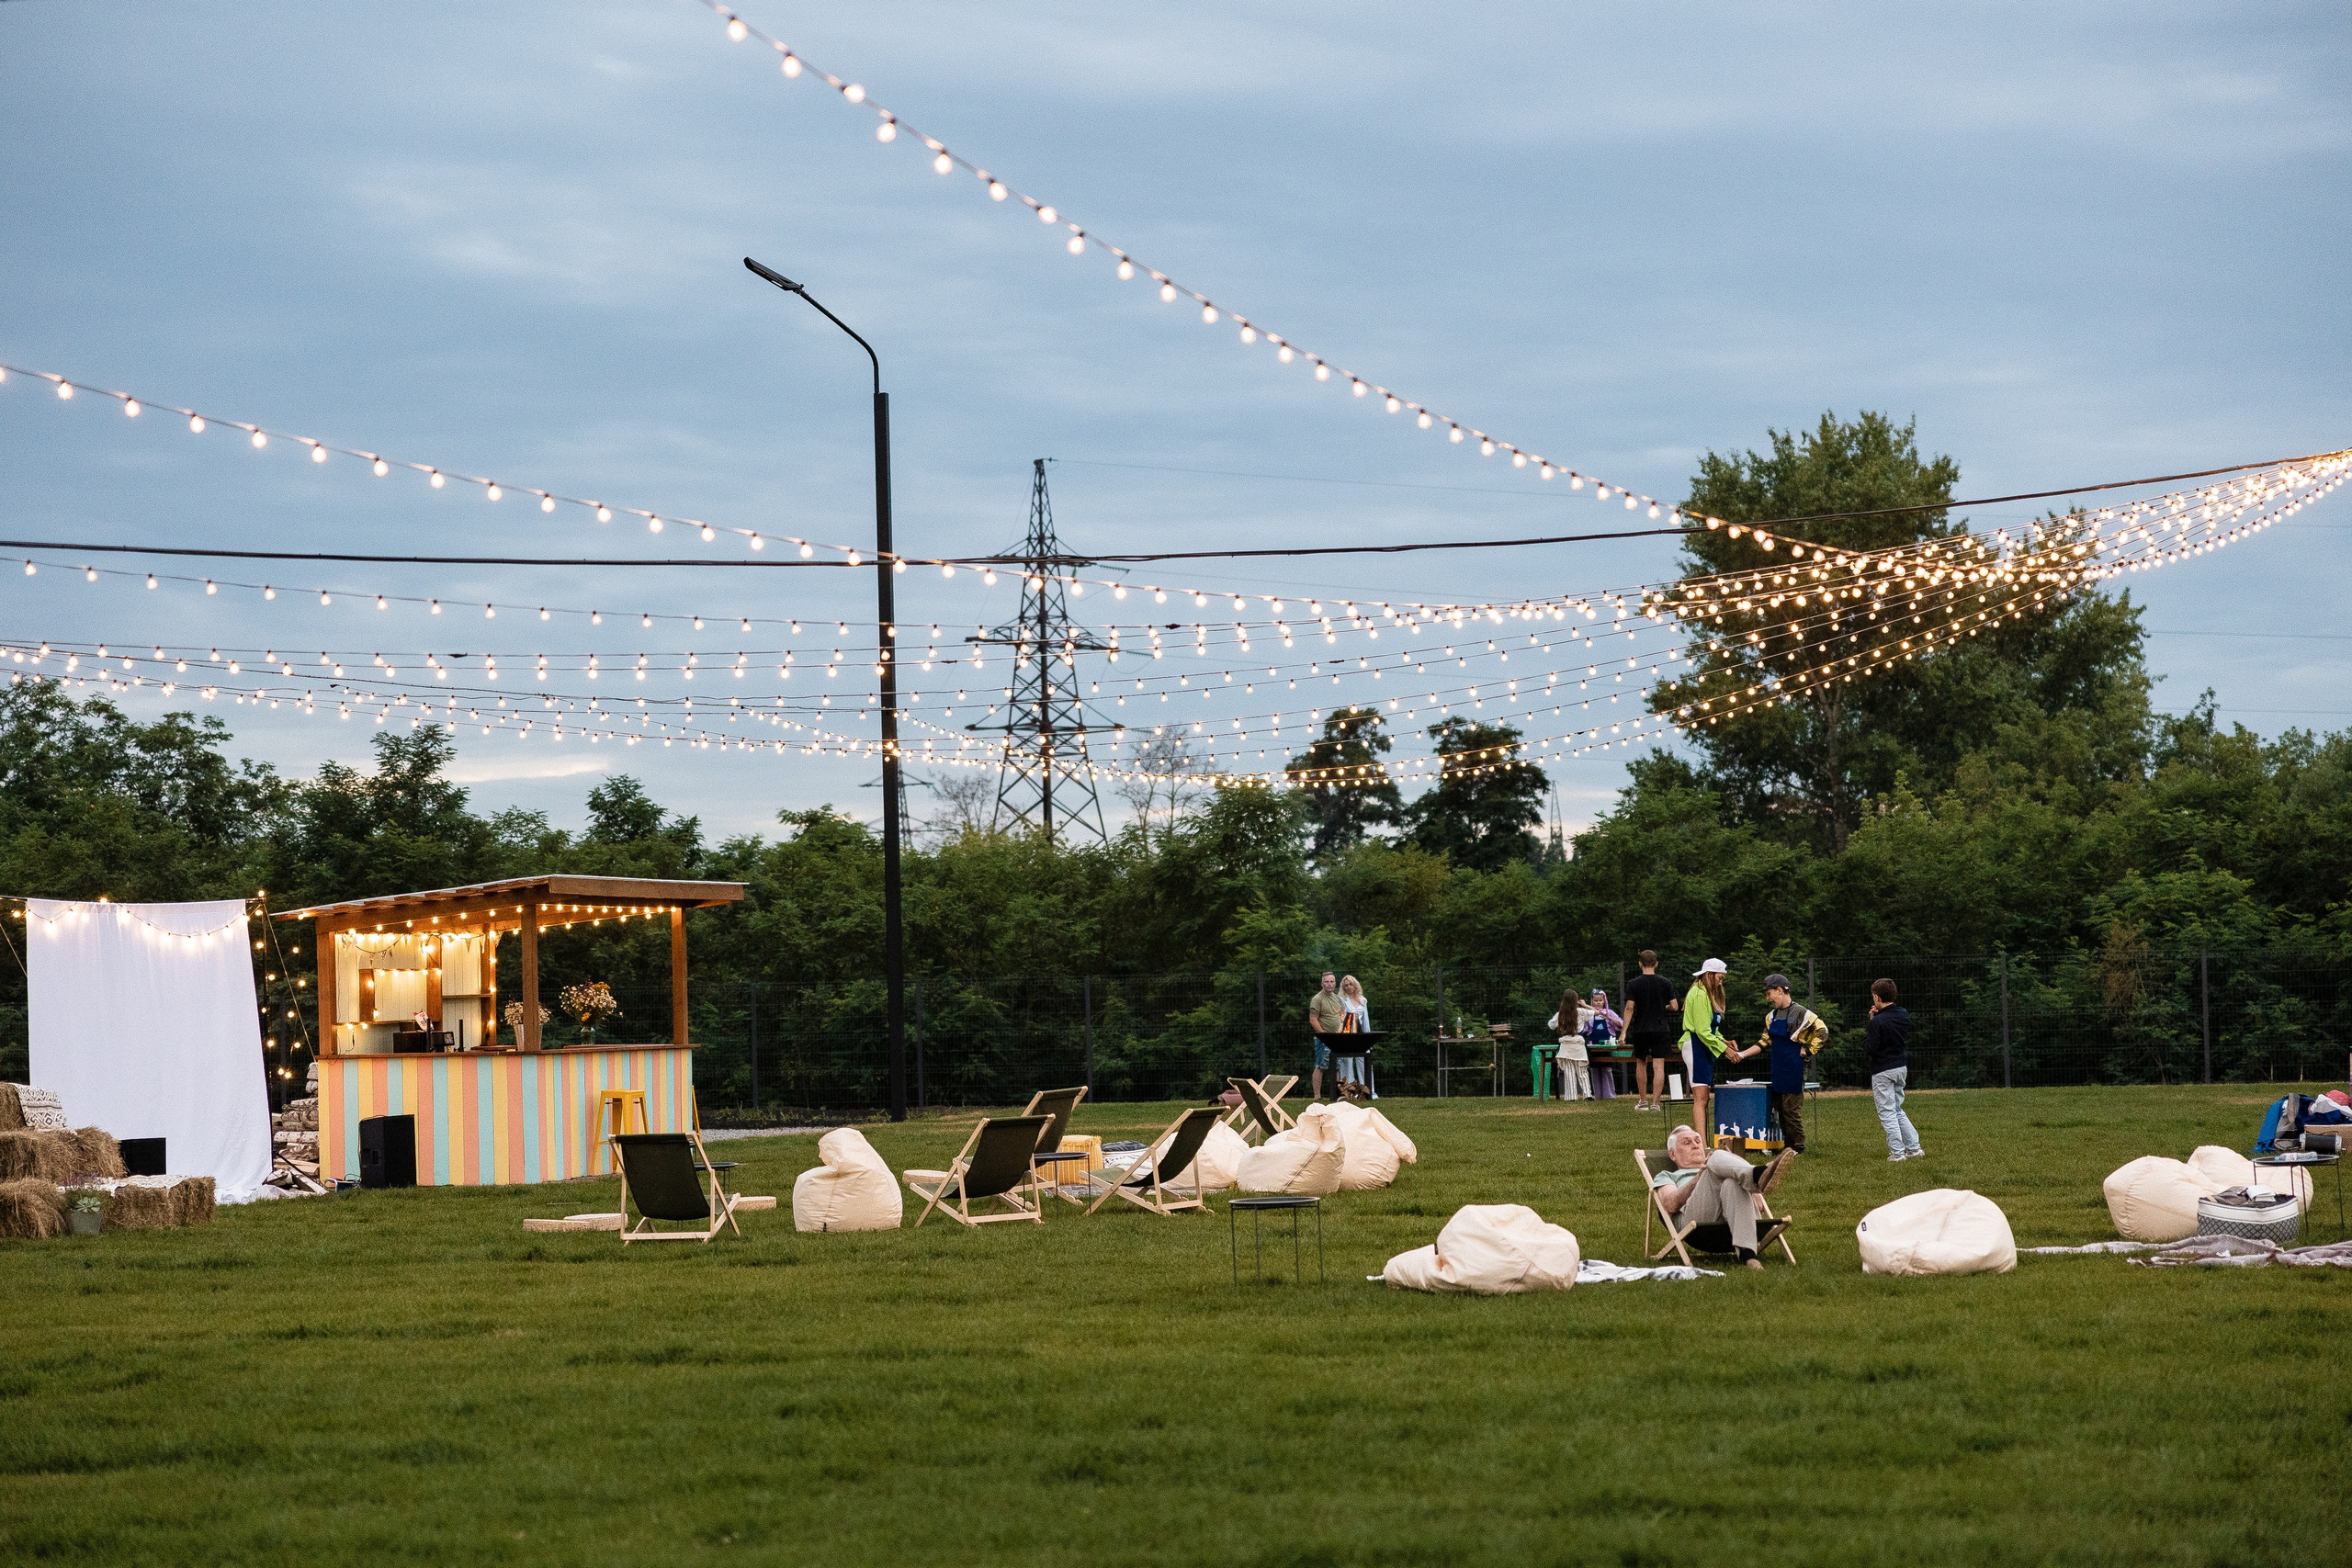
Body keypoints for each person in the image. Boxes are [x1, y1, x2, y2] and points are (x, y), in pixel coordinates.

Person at [1651, 1122, 1793, 1269]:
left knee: (1731, 1182)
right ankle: (1758, 1174)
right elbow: (1669, 1204)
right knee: (1716, 1156)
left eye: (1698, 1141)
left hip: (1733, 1217)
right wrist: (1699, 1178)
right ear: (1673, 1154)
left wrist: (1731, 1160)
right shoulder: (1666, 1175)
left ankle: (1748, 1255)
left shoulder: (1724, 1166)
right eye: (1687, 1143)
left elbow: (1758, 1205)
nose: (1695, 1145)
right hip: (1696, 1225)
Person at [1735, 974, 1824, 1155]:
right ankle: (1787, 1146)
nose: (1768, 998)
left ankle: (1798, 1146)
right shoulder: (1771, 1017)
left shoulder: (1802, 1013)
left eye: (1769, 994)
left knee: (1791, 1110)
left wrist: (1808, 1050)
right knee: (1781, 1110)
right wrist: (1741, 1054)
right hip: (1777, 1068)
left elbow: (1823, 1031)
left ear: (1780, 990)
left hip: (1794, 1068)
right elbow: (1763, 1043)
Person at [1864, 977, 1922, 1161]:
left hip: (1882, 1069)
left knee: (1887, 1112)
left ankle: (1897, 1153)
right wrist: (1877, 1017)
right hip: (1900, 1066)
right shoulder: (1903, 1014)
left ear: (1876, 996)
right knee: (1897, 1109)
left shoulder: (1878, 1022)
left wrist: (1872, 1022)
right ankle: (1914, 1148)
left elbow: (1871, 1047)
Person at [1681, 958, 1737, 1145]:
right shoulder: (1698, 994)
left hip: (1704, 1046)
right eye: (1720, 978)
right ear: (1710, 975)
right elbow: (1702, 1031)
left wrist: (1724, 1041)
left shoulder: (1706, 993)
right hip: (1696, 1045)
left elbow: (1712, 1029)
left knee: (1704, 1097)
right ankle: (1702, 1144)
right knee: (1701, 1097)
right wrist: (1725, 1051)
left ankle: (1702, 1141)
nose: (1721, 981)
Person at [1622, 950, 1678, 1111]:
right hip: (1661, 1028)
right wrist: (1662, 1006)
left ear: (1640, 964)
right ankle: (1655, 1104)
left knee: (1641, 1063)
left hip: (1641, 1028)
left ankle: (1643, 1101)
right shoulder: (1665, 982)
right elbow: (1674, 1006)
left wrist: (1623, 1031)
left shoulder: (1634, 984)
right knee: (1659, 1066)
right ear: (1656, 963)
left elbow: (1629, 1007)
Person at [1306, 971, 1344, 1100]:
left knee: (1337, 1068)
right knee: (1320, 1067)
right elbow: (1313, 1019)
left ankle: (1337, 1095)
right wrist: (1323, 1035)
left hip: (1337, 1039)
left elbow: (1342, 1016)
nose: (1329, 984)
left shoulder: (1337, 998)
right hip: (1323, 1040)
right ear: (1322, 983)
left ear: (1335, 983)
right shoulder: (1317, 999)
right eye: (1327, 982)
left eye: (1332, 981)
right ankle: (1317, 1096)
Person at [1336, 975, 1374, 1100]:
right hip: (1347, 1035)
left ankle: (1368, 1091)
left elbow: (1366, 1020)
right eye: (1346, 985)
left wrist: (1369, 1038)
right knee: (1347, 1062)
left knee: (1363, 1062)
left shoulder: (1362, 1000)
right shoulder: (1340, 1000)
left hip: (1361, 1035)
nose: (1348, 987)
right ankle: (1349, 1091)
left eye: (1350, 984)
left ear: (1355, 985)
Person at [1553, 987, 1592, 1101]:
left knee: (1569, 1072)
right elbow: (1598, 1012)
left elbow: (1551, 1025)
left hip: (1566, 1045)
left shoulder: (1559, 1015)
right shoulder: (1581, 1012)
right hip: (1578, 1044)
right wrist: (1585, 1005)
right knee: (1582, 1071)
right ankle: (1587, 1095)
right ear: (1576, 1001)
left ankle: (1571, 1097)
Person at [1583, 989, 1623, 1100]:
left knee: (1607, 1069)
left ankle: (1609, 1095)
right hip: (1593, 1047)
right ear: (1591, 1001)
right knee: (1595, 1070)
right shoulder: (1588, 1014)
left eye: (1600, 1000)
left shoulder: (1609, 1012)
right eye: (1596, 1000)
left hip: (1607, 1046)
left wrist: (1609, 1018)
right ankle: (1598, 1095)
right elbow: (1584, 1028)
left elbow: (1621, 1024)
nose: (1598, 1003)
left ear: (1604, 1001)